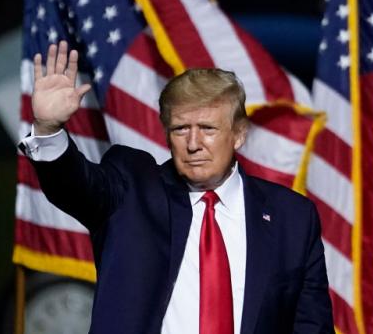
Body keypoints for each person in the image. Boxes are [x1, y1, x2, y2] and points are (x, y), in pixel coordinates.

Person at [21, 41, 333, 334]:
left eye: (207, 129)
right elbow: (75, 186)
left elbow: (311, 325)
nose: (193, 144)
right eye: (181, 129)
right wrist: (48, 129)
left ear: (238, 134)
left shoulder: (292, 217)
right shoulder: (133, 190)